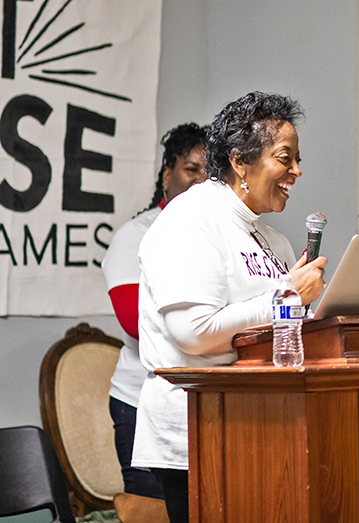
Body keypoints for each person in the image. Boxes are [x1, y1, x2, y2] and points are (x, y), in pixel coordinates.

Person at [131, 92, 327, 523]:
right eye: (285, 157)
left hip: (261, 421)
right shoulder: (190, 220)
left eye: (297, 159)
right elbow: (194, 333)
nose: (297, 171)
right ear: (240, 161)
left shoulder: (273, 240)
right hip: (197, 431)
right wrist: (286, 296)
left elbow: (283, 329)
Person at [102, 123, 207, 503]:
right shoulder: (137, 234)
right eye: (191, 169)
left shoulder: (216, 237)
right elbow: (135, 324)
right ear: (167, 174)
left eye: (209, 173)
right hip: (141, 403)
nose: (200, 181)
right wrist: (214, 327)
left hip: (202, 402)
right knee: (154, 513)